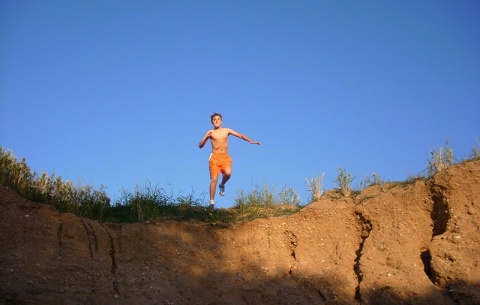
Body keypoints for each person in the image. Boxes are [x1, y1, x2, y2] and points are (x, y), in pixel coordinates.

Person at [199, 112, 260, 208]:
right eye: (214, 120)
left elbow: (240, 135)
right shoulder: (210, 132)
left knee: (228, 173)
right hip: (215, 157)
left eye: (218, 119)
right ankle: (211, 202)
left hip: (225, 157)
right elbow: (200, 145)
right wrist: (206, 138)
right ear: (212, 122)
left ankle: (222, 184)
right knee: (214, 179)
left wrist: (251, 141)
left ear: (221, 121)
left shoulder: (226, 130)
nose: (216, 121)